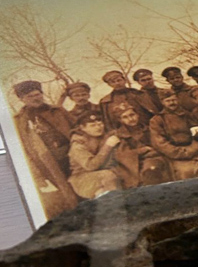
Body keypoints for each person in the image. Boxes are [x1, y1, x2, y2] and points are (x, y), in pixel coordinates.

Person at [12, 79, 78, 213]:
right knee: (67, 191)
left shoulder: (58, 110)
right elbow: (23, 150)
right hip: (48, 162)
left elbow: (77, 128)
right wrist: (37, 175)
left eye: (37, 94)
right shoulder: (19, 121)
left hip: (73, 155)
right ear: (22, 99)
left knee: (84, 184)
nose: (36, 98)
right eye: (30, 96)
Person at [148, 91, 198, 180]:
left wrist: (194, 149)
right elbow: (160, 143)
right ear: (162, 102)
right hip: (175, 155)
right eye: (168, 101)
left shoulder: (188, 115)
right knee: (186, 173)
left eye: (174, 100)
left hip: (195, 150)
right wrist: (182, 153)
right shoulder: (157, 120)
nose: (172, 103)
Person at [112, 104, 171, 187]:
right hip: (132, 164)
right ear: (120, 120)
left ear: (137, 115)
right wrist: (142, 150)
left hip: (153, 158)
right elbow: (123, 155)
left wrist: (151, 151)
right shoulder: (120, 135)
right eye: (125, 117)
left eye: (132, 115)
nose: (130, 119)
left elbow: (158, 144)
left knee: (151, 171)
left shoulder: (149, 128)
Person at [66, 113, 121, 199]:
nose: (98, 127)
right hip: (82, 179)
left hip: (101, 172)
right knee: (108, 176)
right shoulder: (78, 145)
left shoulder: (103, 135)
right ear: (82, 128)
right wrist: (108, 146)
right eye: (93, 125)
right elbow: (91, 166)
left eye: (100, 124)